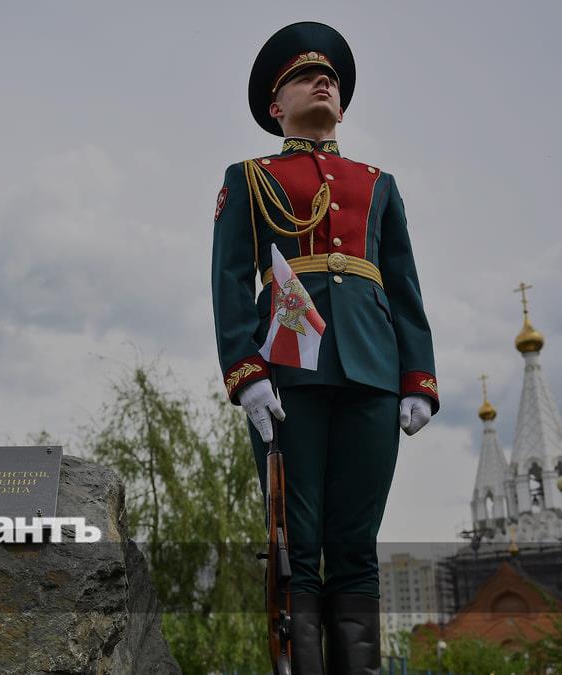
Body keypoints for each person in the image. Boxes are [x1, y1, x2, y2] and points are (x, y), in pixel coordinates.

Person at [211, 22, 438, 674]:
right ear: (275, 105)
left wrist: (418, 377)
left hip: (374, 370)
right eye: (306, 76)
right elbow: (230, 280)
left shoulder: (379, 183)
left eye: (331, 78)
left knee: (357, 545)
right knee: (297, 543)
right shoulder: (251, 178)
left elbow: (403, 286)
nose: (324, 82)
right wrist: (246, 371)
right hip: (288, 373)